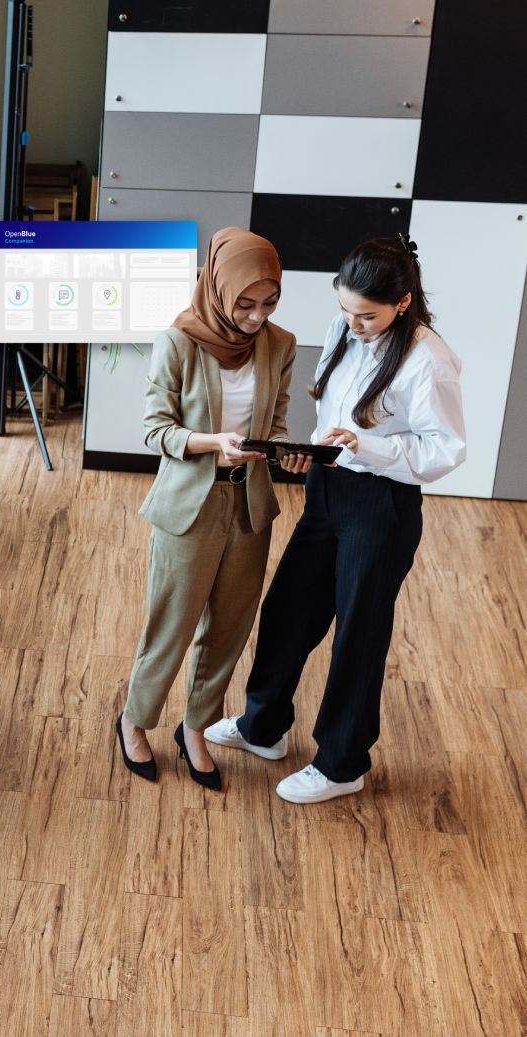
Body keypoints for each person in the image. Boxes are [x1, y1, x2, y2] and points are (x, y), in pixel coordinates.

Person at [206, 235, 466, 803]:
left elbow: (444, 453)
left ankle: (343, 763)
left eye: (365, 315)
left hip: (381, 506)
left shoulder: (428, 361)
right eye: (344, 309)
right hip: (329, 488)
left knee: (358, 633)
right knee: (287, 610)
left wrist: (365, 448)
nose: (352, 324)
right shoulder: (344, 327)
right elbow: (335, 410)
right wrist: (315, 451)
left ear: (402, 302)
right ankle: (262, 727)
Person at [116, 228, 309, 790]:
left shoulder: (281, 343)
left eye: (269, 302)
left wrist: (283, 454)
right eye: (245, 303)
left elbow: (272, 425)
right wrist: (212, 442)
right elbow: (155, 431)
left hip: (248, 503)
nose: (256, 316)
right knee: (171, 623)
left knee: (228, 627)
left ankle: (196, 727)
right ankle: (135, 719)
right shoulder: (177, 342)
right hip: (189, 503)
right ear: (216, 289)